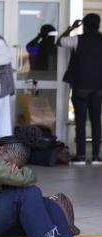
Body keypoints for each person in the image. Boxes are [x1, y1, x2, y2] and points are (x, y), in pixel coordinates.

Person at [57, 14, 102, 165]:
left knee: (80, 122)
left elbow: (59, 42)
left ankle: (81, 156)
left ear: (84, 25)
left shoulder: (77, 39)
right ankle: (96, 157)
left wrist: (71, 28)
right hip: (98, 87)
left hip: (80, 87)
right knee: (96, 122)